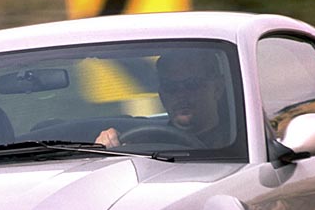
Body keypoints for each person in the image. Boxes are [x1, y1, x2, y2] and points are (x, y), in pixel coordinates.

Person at [95, 48, 228, 149]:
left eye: (191, 84)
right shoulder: (143, 143)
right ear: (162, 96)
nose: (180, 94)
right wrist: (106, 144)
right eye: (170, 87)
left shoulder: (243, 142)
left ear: (217, 88)